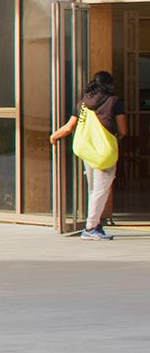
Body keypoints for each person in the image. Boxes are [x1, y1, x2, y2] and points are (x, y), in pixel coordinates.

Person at [51, 70, 126, 239]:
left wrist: (54, 136)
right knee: (101, 189)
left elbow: (69, 127)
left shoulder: (82, 103)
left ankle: (95, 224)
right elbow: (123, 130)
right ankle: (91, 227)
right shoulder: (114, 102)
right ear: (109, 85)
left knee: (93, 189)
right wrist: (116, 137)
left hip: (86, 150)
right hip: (104, 152)